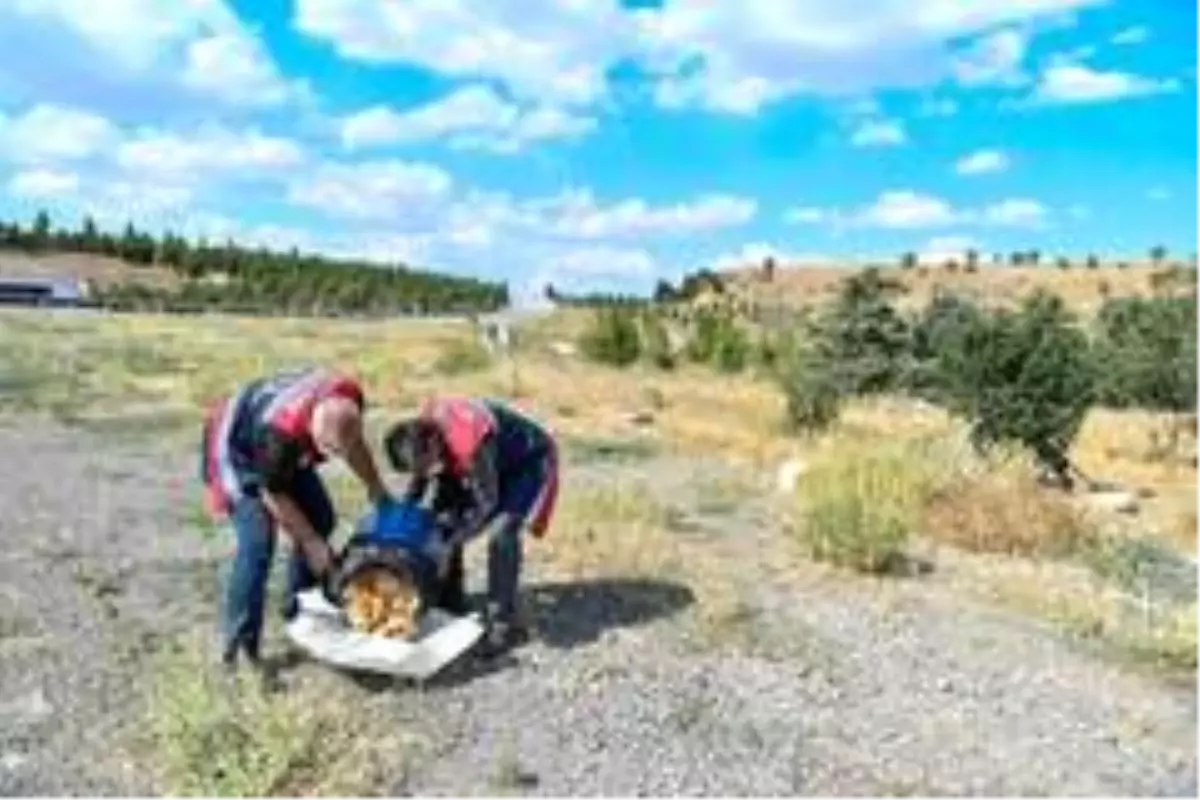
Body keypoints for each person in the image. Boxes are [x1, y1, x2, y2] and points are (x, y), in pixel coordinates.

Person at [198, 365, 391, 672]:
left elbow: (353, 444)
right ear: (312, 431)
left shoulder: (347, 397)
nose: (328, 458)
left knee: (322, 518)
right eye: (324, 450)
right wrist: (311, 541)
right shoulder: (279, 437)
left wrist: (376, 487)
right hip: (236, 446)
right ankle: (238, 652)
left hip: (281, 442)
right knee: (257, 543)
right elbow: (272, 492)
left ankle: (298, 610)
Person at [381, 395, 559, 657]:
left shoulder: (469, 438)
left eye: (425, 466)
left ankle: (502, 625)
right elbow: (419, 485)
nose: (425, 473)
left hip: (527, 463)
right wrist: (402, 519)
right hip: (484, 463)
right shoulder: (423, 434)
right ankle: (451, 601)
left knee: (502, 533)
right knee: (443, 519)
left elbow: (486, 503)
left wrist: (452, 541)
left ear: (431, 443)